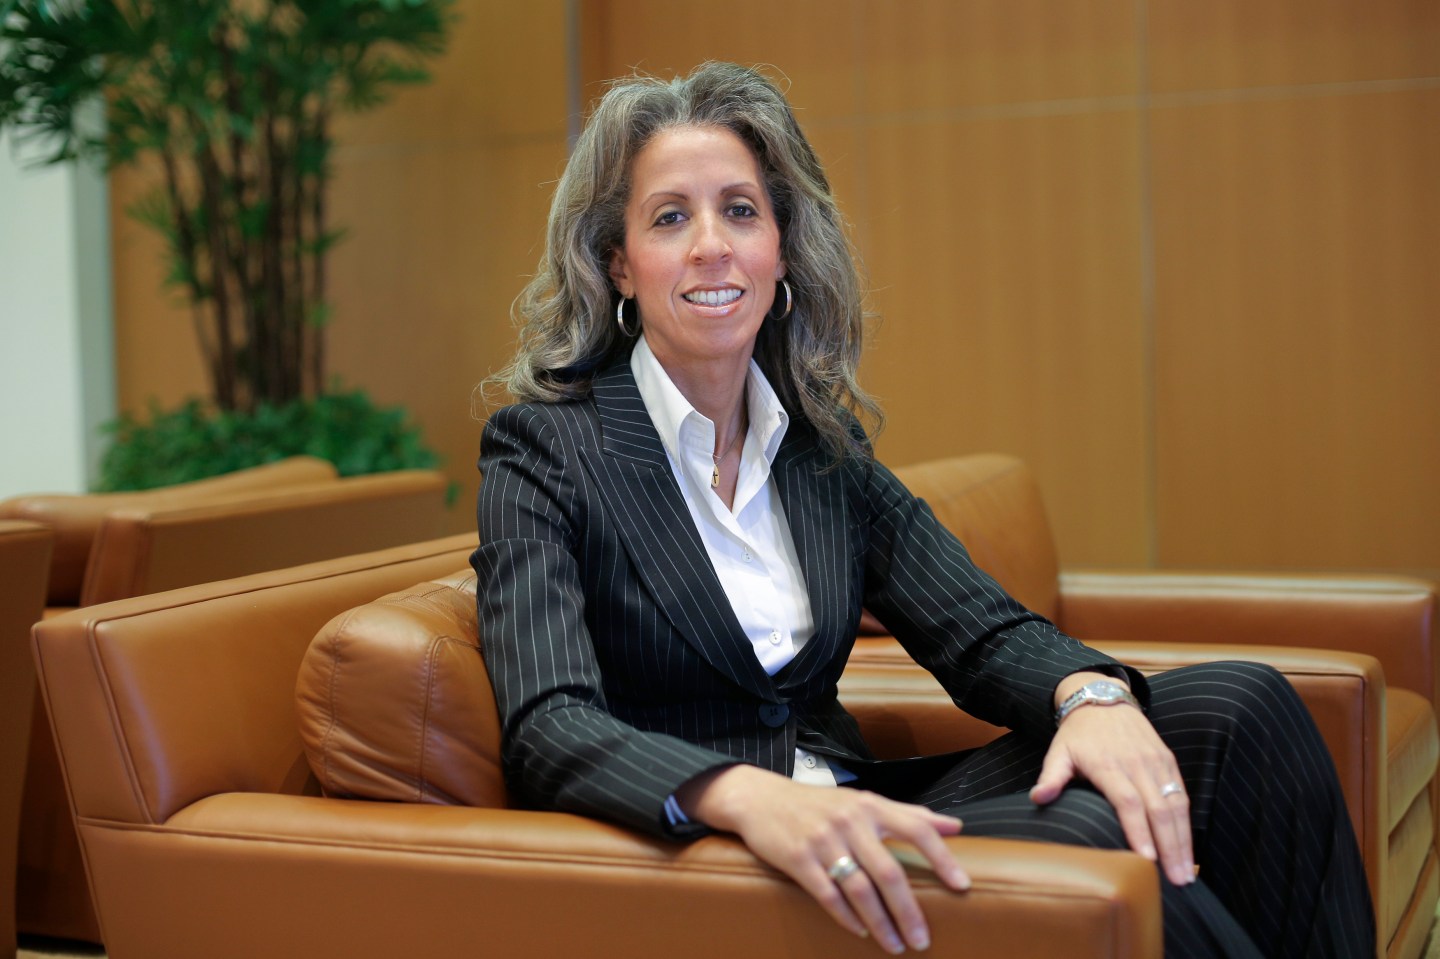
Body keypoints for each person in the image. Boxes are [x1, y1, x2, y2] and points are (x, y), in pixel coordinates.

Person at [472, 62, 1373, 957]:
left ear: (781, 250)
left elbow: (979, 630)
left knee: (1242, 709)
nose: (712, 244)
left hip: (861, 806)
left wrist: (1089, 696)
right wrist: (743, 794)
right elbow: (551, 723)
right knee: (1086, 840)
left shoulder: (816, 446)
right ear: (619, 265)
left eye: (741, 210)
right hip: (718, 850)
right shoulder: (543, 448)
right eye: (670, 217)